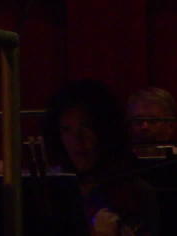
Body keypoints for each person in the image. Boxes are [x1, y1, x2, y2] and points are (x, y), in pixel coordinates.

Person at [43, 79, 159, 235]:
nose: (78, 139)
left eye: (87, 126)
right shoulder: (53, 192)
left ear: (106, 129)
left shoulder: (136, 193)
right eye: (66, 129)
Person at [126, 87, 177, 155]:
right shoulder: (117, 161)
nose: (144, 127)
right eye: (138, 120)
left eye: (153, 121)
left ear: (171, 126)